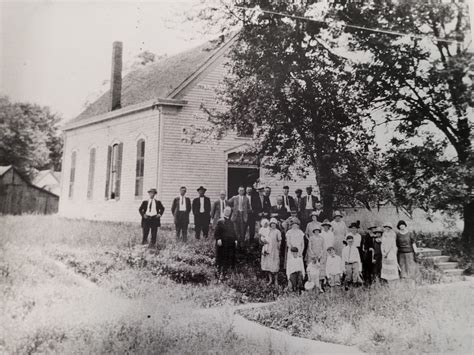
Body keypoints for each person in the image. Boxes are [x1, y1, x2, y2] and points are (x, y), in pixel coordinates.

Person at [214, 207, 238, 280]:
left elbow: (233, 232)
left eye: (229, 211)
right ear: (224, 211)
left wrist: (235, 239)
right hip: (222, 243)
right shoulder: (220, 221)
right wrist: (218, 239)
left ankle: (224, 274)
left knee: (228, 258)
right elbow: (216, 232)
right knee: (220, 258)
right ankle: (218, 274)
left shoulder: (231, 222)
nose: (228, 212)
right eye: (226, 211)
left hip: (229, 243)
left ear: (230, 213)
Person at [260, 218, 282, 286]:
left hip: (275, 250)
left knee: (275, 265)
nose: (273, 225)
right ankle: (270, 279)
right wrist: (264, 242)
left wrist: (279, 248)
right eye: (272, 224)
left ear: (276, 225)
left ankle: (276, 280)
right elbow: (262, 238)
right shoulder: (267, 230)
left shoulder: (277, 231)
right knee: (268, 265)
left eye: (274, 224)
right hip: (268, 250)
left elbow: (279, 241)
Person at [305, 223, 327, 291]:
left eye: (318, 231)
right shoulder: (311, 238)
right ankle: (311, 285)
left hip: (320, 255)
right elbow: (310, 247)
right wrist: (313, 255)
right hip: (313, 255)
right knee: (312, 269)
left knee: (320, 269)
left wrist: (320, 255)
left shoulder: (321, 238)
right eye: (315, 231)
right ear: (314, 231)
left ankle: (320, 285)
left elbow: (323, 247)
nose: (316, 232)